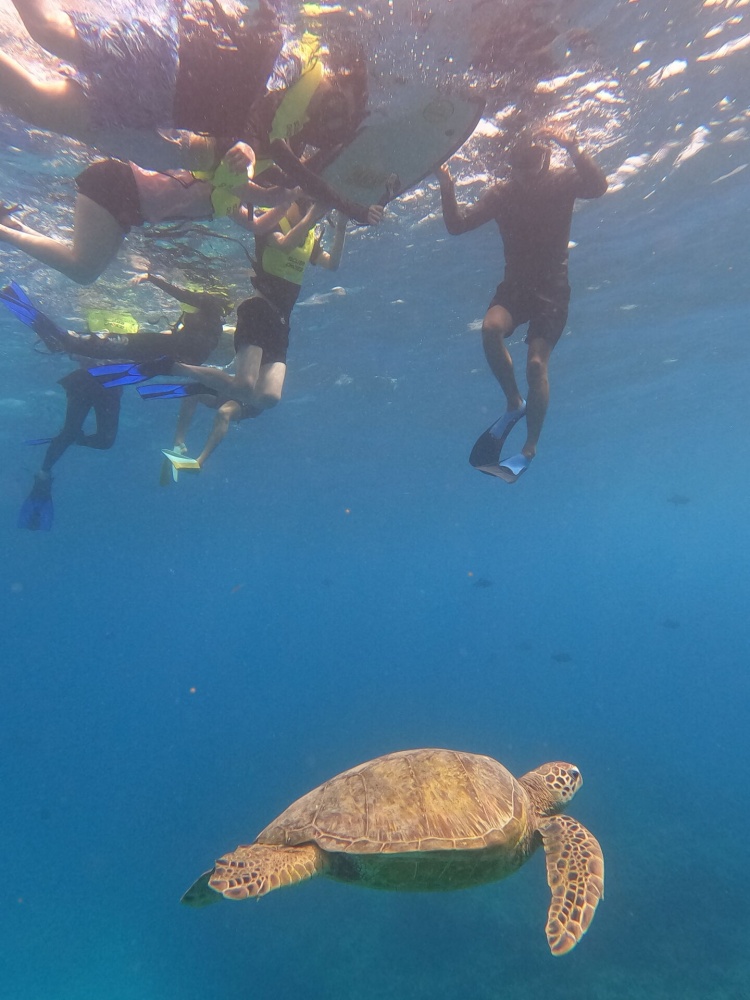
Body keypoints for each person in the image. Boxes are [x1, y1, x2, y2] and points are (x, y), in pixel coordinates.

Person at [152, 197, 384, 475]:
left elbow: (331, 263)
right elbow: (283, 243)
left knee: (269, 398)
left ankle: (195, 390)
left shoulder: (310, 234)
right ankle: (174, 366)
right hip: (258, 310)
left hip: (281, 323)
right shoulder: (271, 218)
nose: (319, 212)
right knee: (243, 385)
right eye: (311, 203)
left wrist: (342, 226)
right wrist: (313, 213)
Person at [435, 128, 607, 483]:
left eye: (533, 161)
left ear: (545, 158)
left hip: (553, 290)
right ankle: (514, 403)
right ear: (508, 162)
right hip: (515, 287)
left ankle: (529, 447)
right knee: (489, 329)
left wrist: (574, 146)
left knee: (535, 365)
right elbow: (457, 225)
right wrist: (447, 185)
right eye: (518, 162)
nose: (526, 171)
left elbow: (598, 186)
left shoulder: (562, 181)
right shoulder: (502, 193)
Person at [0, 2, 367, 163]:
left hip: (152, 114)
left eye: (332, 122)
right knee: (47, 30)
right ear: (340, 77)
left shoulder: (287, 138)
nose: (325, 112)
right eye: (337, 104)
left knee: (37, 106)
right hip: (161, 59)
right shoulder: (301, 56)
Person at [9, 273, 231, 528]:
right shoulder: (205, 329)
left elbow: (185, 302)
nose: (186, 312)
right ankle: (17, 302)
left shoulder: (207, 320)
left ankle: (66, 436)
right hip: (115, 367)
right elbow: (184, 302)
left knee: (104, 441)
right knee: (70, 345)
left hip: (126, 371)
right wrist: (152, 277)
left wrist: (153, 278)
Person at [0, 143, 294, 285]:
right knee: (82, 269)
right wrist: (287, 189)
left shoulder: (229, 201)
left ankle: (11, 225)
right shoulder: (231, 176)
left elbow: (256, 226)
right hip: (119, 184)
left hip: (128, 205)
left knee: (84, 269)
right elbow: (245, 151)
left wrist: (286, 203)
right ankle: (5, 229)